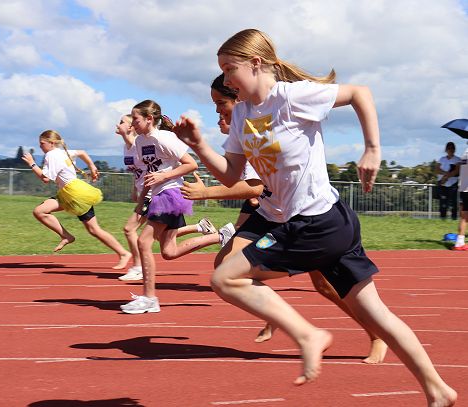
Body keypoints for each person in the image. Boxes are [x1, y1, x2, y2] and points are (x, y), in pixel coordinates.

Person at [173, 29, 456, 406]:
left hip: (314, 222)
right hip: (308, 220)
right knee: (377, 315)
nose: (225, 80)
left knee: (225, 277)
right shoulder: (242, 112)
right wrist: (199, 145)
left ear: (255, 63)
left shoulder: (292, 97)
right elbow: (230, 174)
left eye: (229, 69)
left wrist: (372, 149)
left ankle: (309, 335)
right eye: (222, 71)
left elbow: (360, 93)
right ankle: (439, 391)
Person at [183, 73, 388, 364]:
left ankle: (376, 334)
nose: (217, 111)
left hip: (304, 216)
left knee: (325, 286)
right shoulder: (241, 124)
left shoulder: (263, 123)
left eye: (220, 104)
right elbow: (239, 177)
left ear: (238, 96)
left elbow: (254, 186)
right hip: (269, 212)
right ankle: (275, 312)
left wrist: (206, 193)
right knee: (225, 266)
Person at [120, 100, 235, 314]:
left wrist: (164, 176)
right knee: (169, 251)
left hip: (171, 194)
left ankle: (149, 298)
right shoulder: (140, 142)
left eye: (135, 119)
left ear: (149, 119)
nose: (132, 123)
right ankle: (220, 235)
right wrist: (141, 201)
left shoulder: (164, 138)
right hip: (158, 195)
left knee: (143, 242)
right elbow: (149, 175)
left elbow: (191, 164)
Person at [115, 114, 221, 281]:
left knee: (134, 232)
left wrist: (147, 192)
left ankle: (139, 270)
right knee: (168, 250)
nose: (117, 124)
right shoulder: (132, 146)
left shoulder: (147, 142)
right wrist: (136, 190)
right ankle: (214, 233)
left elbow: (172, 165)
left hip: (161, 195)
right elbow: (142, 173)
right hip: (152, 193)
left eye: (123, 121)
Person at [22, 130, 132, 269]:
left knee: (94, 229)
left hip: (76, 195)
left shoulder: (51, 155)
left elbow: (45, 179)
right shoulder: (63, 152)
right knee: (40, 211)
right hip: (66, 193)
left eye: (42, 143)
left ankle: (123, 253)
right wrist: (92, 166)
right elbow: (82, 153)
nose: (40, 146)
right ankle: (66, 236)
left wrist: (32, 164)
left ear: (51, 143)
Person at [435, 142, 460, 220]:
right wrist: (445, 174)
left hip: (452, 184)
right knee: (443, 202)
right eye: (449, 148)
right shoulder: (442, 159)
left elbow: (456, 171)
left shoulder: (457, 159)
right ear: (446, 149)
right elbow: (437, 170)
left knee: (453, 203)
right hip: (442, 184)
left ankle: (454, 218)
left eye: (452, 148)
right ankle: (442, 218)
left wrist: (445, 177)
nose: (451, 150)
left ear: (454, 149)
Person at [452, 146, 468, 250]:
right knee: (465, 216)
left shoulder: (465, 152)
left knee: (464, 216)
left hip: (463, 188)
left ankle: (459, 242)